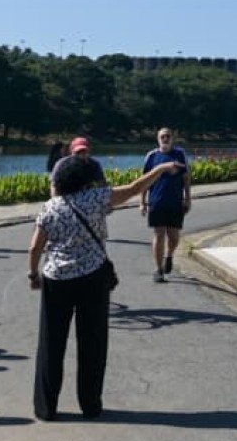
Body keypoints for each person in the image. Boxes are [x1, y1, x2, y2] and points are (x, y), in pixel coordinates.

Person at [28, 140, 179, 420]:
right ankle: (90, 404)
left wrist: (33, 274)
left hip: (56, 278)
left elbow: (34, 247)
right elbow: (135, 188)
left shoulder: (50, 207)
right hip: (92, 276)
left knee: (51, 343)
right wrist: (160, 169)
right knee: (93, 343)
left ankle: (46, 407)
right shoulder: (97, 199)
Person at [140, 128, 190, 283]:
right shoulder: (152, 156)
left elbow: (186, 177)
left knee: (174, 236)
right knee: (159, 234)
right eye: (162, 136)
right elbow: (144, 181)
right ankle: (159, 269)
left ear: (172, 138)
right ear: (158, 139)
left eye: (168, 136)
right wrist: (142, 202)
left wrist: (188, 198)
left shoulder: (179, 154)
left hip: (175, 202)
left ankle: (169, 256)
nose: (165, 139)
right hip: (156, 202)